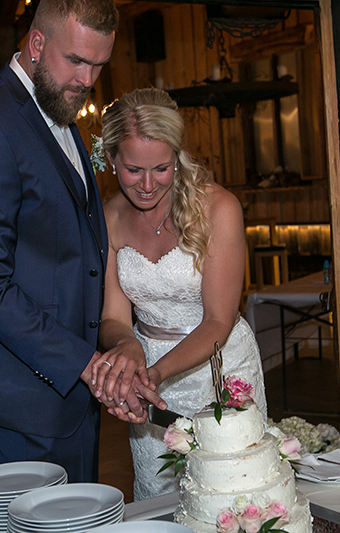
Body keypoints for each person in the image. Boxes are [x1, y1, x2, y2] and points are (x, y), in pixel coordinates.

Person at [0, 0, 162, 484]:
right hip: (24, 396)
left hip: (70, 394)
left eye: (98, 65)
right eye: (76, 60)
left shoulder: (56, 112)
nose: (87, 79)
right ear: (36, 44)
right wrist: (84, 363)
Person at [91, 87, 268, 499]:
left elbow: (218, 320)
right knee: (160, 495)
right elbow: (114, 317)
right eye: (134, 170)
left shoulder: (218, 209)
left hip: (218, 368)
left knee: (230, 497)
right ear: (111, 159)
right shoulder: (109, 217)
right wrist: (128, 349)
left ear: (176, 156)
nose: (149, 185)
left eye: (162, 168)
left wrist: (154, 374)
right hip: (148, 372)